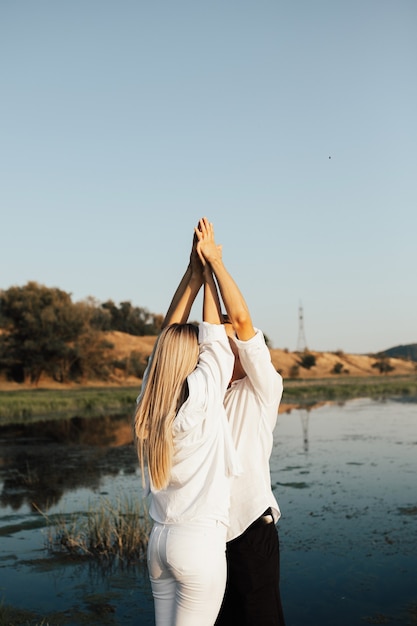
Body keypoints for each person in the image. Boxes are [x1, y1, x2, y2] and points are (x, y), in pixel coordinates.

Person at [163, 218, 286, 626]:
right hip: (207, 535)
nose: (220, 340)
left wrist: (214, 264)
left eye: (227, 338)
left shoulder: (264, 387)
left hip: (249, 530)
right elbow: (179, 335)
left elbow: (242, 323)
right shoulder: (204, 394)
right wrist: (194, 274)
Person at [133, 219, 242, 626]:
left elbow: (166, 337)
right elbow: (214, 333)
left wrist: (191, 275)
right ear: (192, 359)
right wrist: (211, 267)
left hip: (159, 542)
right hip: (198, 542)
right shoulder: (201, 396)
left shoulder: (150, 402)